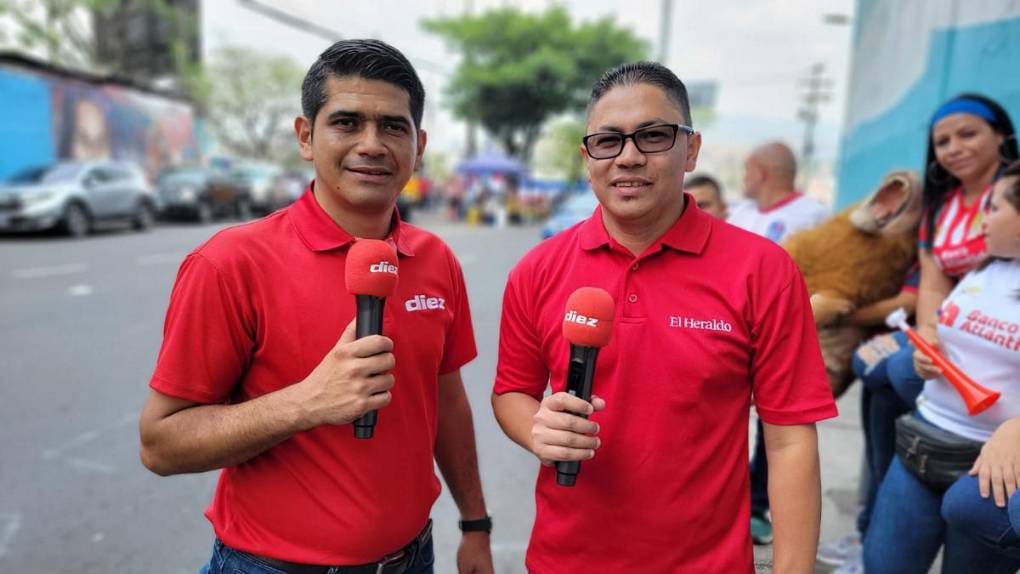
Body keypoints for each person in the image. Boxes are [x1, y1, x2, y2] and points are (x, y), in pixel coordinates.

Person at [138, 39, 494, 574]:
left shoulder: (437, 259)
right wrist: (306, 402)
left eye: (392, 126)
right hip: (270, 565)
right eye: (347, 123)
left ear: (418, 146)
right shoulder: (230, 263)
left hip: (412, 558)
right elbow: (161, 444)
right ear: (306, 137)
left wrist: (475, 524)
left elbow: (446, 403)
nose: (372, 144)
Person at [491, 61, 837, 573]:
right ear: (588, 158)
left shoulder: (763, 270)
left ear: (690, 149)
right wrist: (536, 430)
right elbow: (512, 392)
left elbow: (789, 442)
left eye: (653, 136)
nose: (628, 157)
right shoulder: (537, 269)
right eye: (608, 141)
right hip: (563, 560)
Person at [863, 160, 1020, 574]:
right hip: (923, 442)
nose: (982, 220)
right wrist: (928, 343)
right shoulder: (987, 266)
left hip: (990, 472)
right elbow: (946, 324)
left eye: (995, 208)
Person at [727, 140, 829, 544]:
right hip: (730, 338)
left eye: (747, 170)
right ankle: (736, 503)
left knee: (782, 431)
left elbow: (828, 276)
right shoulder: (741, 213)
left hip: (783, 340)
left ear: (762, 171)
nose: (743, 179)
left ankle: (758, 508)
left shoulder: (813, 217)